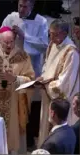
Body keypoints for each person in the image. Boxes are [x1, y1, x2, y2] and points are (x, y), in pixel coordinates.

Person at [0, 0, 49, 148]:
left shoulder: (41, 22)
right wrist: (7, 39)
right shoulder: (11, 17)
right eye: (20, 5)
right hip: (11, 67)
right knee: (11, 101)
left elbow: (44, 45)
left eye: (25, 6)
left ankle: (29, 138)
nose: (21, 9)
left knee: (29, 102)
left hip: (30, 68)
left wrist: (25, 36)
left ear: (32, 6)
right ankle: (9, 135)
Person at [36, 19, 80, 147]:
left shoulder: (71, 52)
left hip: (60, 99)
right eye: (50, 34)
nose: (52, 37)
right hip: (47, 96)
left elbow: (65, 82)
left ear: (65, 33)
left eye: (55, 34)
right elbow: (46, 66)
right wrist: (42, 77)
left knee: (58, 139)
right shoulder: (52, 45)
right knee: (45, 128)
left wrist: (46, 85)